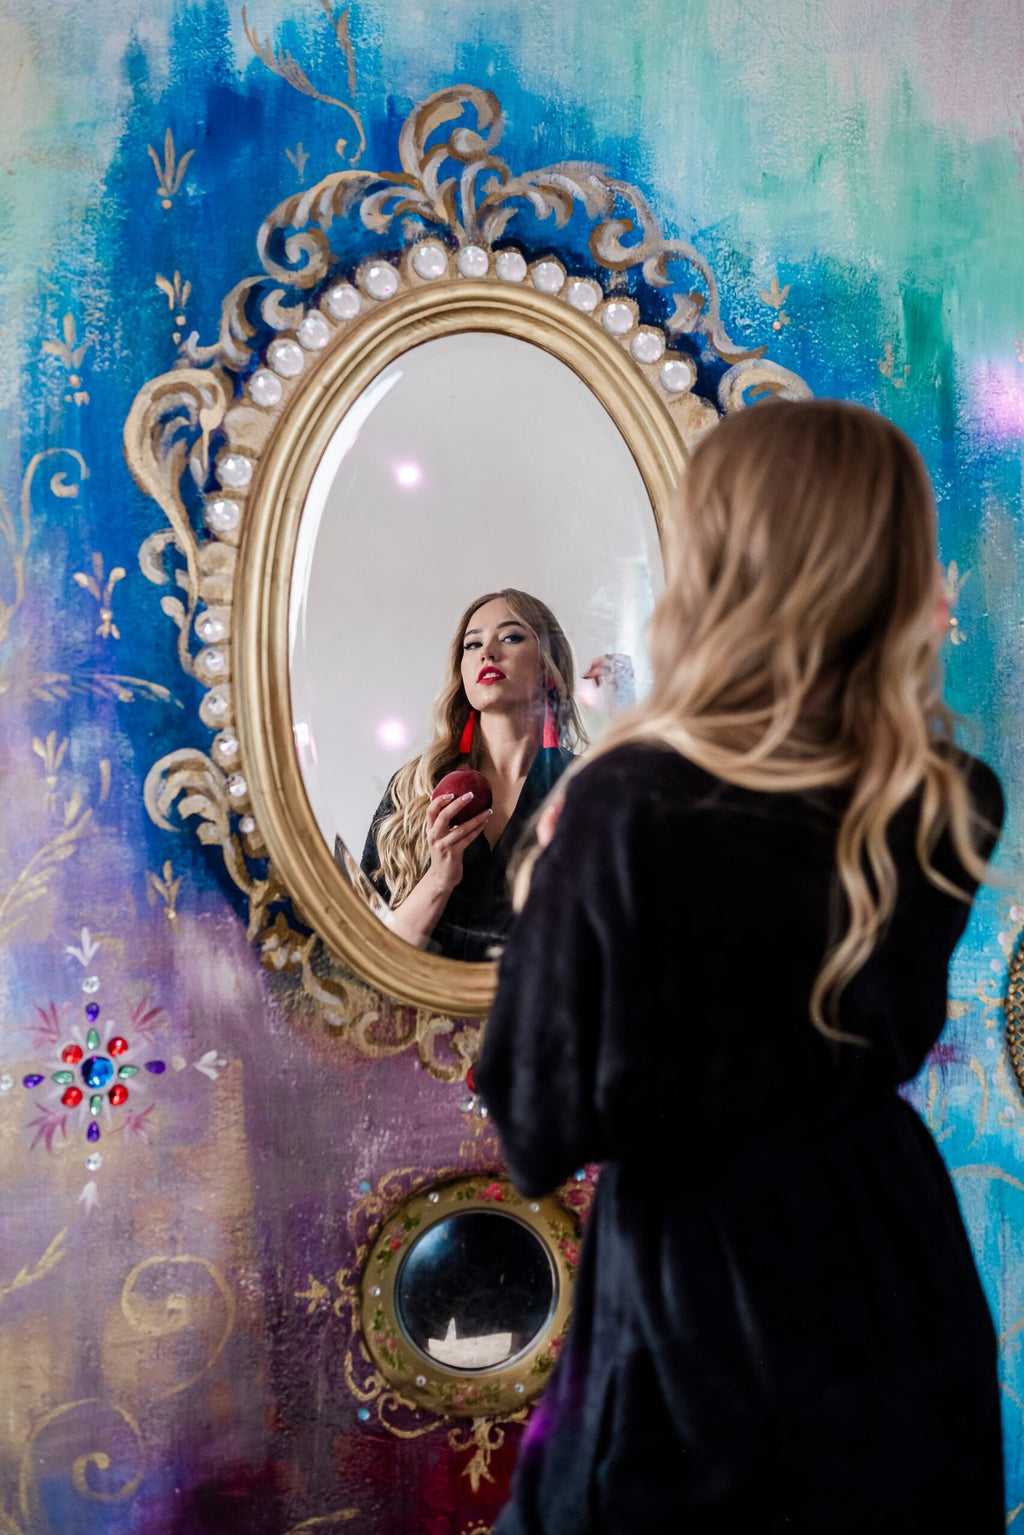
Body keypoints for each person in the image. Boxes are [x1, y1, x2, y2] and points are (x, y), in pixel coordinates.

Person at [475, 400, 1005, 1533]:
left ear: (719, 565)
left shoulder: (627, 801)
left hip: (695, 1312)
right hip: (896, 1271)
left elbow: (534, 1119)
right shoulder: (949, 798)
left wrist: (560, 872)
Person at [361, 588, 621, 962]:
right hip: (431, 1014)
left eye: (511, 637)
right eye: (472, 644)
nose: (488, 653)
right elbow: (373, 954)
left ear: (548, 667)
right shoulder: (414, 787)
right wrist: (439, 878)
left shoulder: (587, 788)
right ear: (462, 671)